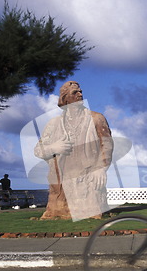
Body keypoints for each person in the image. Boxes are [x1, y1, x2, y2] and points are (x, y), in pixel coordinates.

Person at [34, 81, 113, 220]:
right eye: (75, 92)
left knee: (90, 211)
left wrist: (101, 168)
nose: (80, 94)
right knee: (59, 209)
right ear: (65, 98)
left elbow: (107, 144)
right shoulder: (54, 124)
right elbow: (38, 150)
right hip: (63, 181)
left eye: (80, 91)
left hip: (88, 177)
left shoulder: (96, 118)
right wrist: (53, 147)